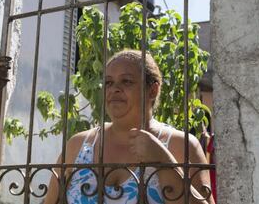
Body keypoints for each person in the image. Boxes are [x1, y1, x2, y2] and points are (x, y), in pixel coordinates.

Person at [44, 50, 215, 204]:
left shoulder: (181, 145)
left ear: (153, 90)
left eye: (126, 81)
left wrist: (163, 161)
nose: (115, 89)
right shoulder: (79, 144)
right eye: (109, 83)